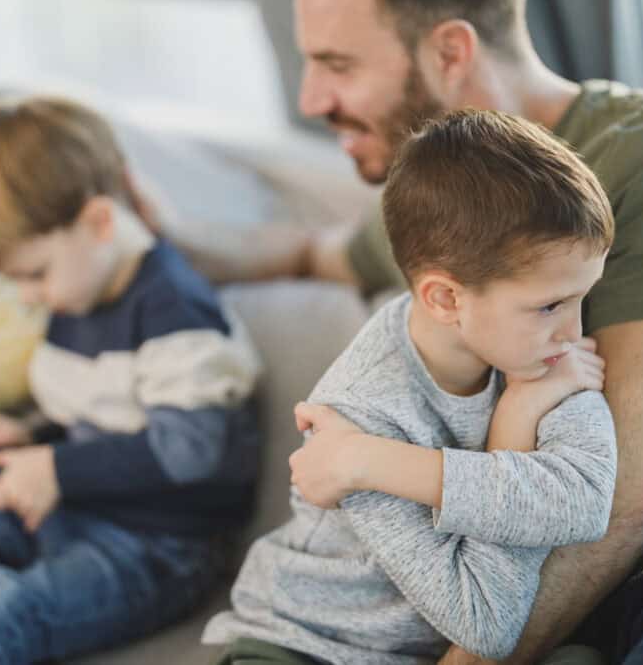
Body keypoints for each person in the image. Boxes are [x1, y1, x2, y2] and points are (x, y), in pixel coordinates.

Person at [195, 0, 643, 663]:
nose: (311, 99)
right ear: (441, 294)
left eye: (339, 64)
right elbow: (314, 252)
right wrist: (153, 236)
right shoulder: (445, 208)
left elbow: (633, 500)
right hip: (549, 581)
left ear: (451, 51)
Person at [203, 109, 618, 665]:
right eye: (549, 305)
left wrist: (379, 461)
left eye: (581, 296)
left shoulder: (543, 358)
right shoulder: (354, 417)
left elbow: (585, 504)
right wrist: (515, 431)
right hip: (301, 643)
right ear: (446, 299)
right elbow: (485, 621)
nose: (574, 331)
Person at [0, 96, 262, 664]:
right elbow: (96, 414)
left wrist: (54, 469)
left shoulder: (175, 311)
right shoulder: (79, 287)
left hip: (156, 547)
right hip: (75, 509)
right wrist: (32, 440)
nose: (30, 296)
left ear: (99, 222)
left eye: (33, 274)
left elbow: (188, 452)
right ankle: (26, 615)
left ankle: (7, 617)